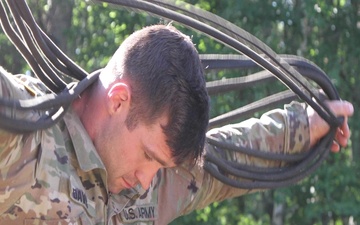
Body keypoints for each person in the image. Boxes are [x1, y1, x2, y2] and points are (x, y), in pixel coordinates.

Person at [0, 24, 354, 225]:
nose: (147, 180)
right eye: (147, 155)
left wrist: (305, 125)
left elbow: (230, 159)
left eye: (160, 166)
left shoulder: (148, 180)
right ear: (119, 100)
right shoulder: (24, 129)